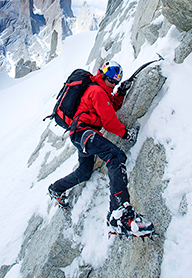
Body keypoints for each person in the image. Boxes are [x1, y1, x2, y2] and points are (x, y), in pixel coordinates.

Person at [48, 60, 154, 238]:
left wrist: (120, 93)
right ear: (103, 76)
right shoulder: (97, 91)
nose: (113, 85)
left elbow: (110, 107)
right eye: (112, 81)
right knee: (115, 156)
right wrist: (126, 134)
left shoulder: (100, 90)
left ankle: (56, 188)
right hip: (84, 133)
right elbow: (109, 121)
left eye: (116, 82)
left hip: (80, 134)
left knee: (84, 172)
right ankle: (119, 214)